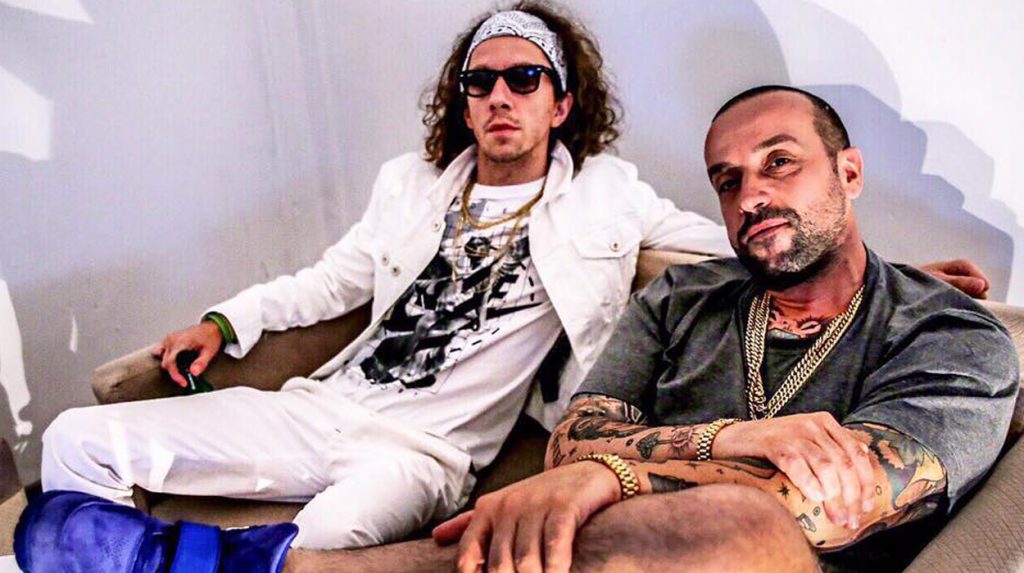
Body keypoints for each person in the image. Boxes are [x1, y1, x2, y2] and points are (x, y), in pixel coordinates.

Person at [26, 2, 990, 570]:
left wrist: (897, 271)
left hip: (429, 449)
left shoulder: (608, 196)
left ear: (561, 102)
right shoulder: (410, 186)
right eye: (481, 81)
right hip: (322, 405)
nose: (499, 96)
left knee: (326, 535)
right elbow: (329, 282)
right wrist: (223, 319)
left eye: (524, 78)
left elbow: (755, 238)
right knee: (73, 436)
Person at [435, 86, 1019, 573]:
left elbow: (833, 501)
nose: (751, 197)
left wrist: (613, 475)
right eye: (727, 181)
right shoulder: (680, 296)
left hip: (745, 556)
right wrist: (727, 439)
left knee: (746, 523)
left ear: (849, 173)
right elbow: (571, 442)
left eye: (779, 162)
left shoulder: (950, 332)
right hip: (596, 545)